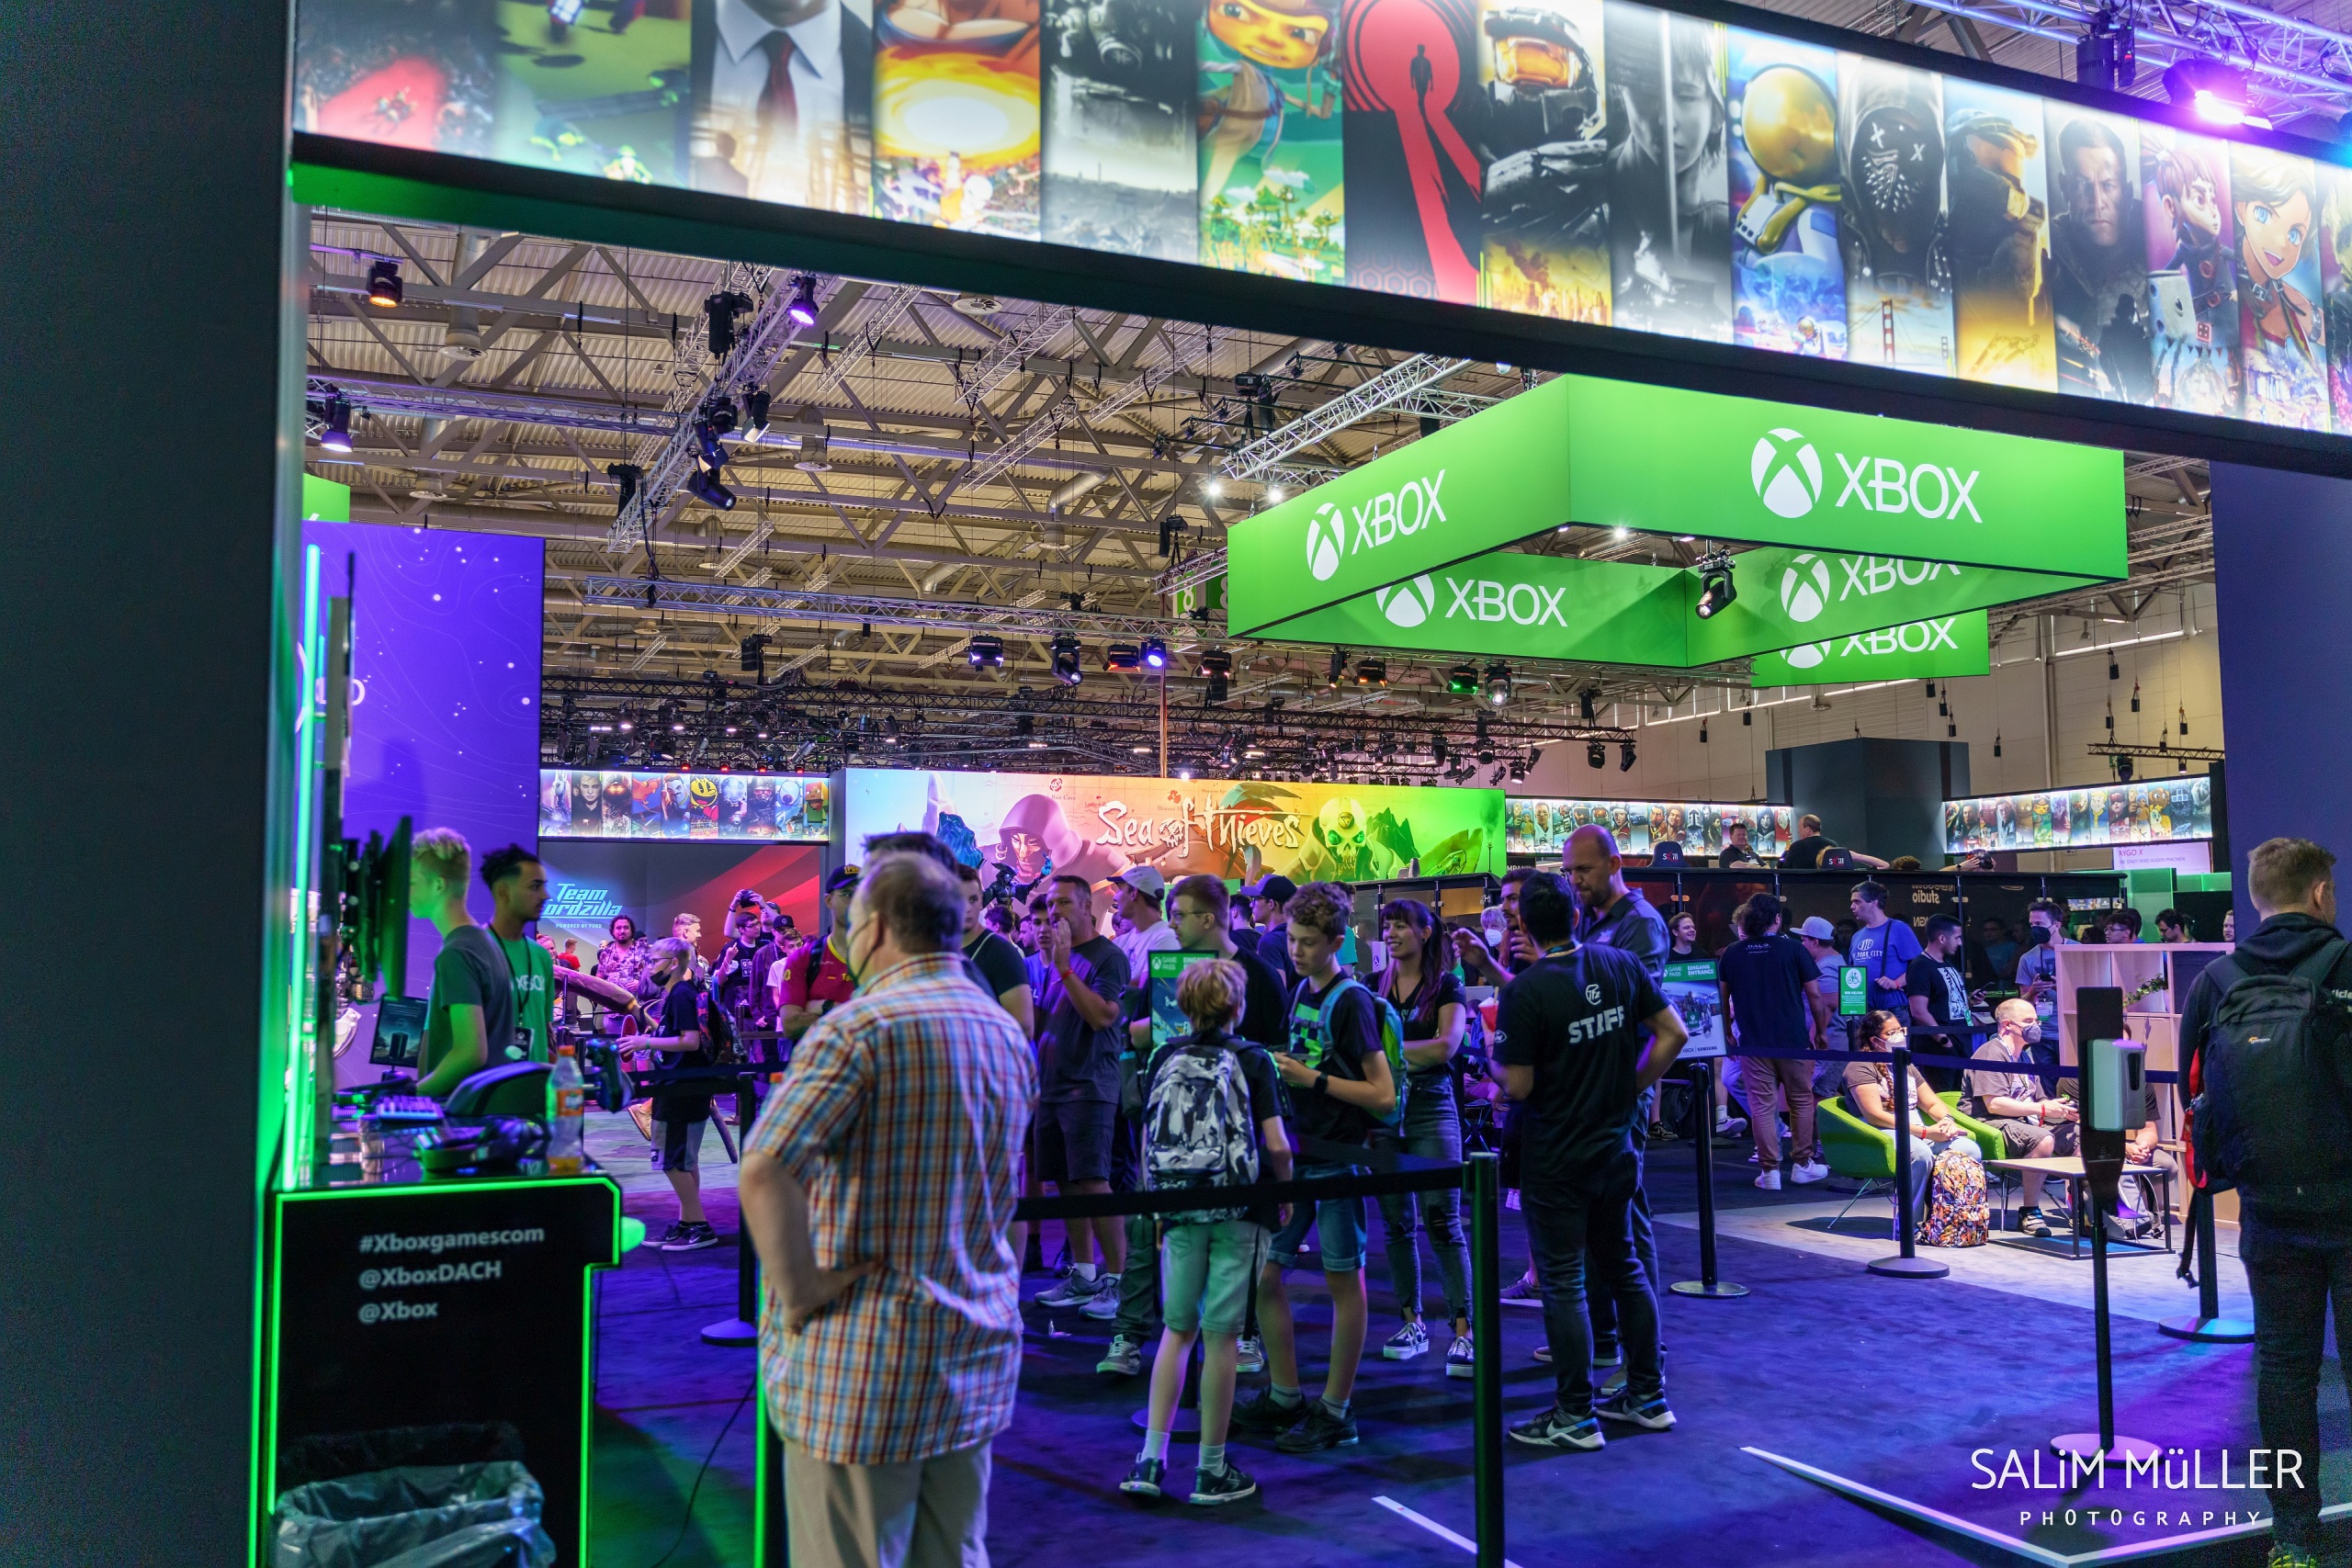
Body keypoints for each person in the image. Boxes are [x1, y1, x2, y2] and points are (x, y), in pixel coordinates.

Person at [739, 852, 1033, 1568]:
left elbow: (765, 1166)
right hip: (973, 1350)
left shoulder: (857, 1029)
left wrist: (801, 1289)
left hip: (864, 1364)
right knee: (956, 1551)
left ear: (872, 930)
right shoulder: (1003, 1032)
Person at [2173, 838, 2352, 1568]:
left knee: (2283, 1370)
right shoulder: (2348, 964)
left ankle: (2294, 1537)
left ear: (2256, 897)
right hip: (2350, 1201)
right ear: (2320, 893)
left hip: (2268, 1208)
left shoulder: (2217, 980)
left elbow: (2193, 1092)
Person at [1498, 872, 1689, 1450]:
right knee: (1624, 1266)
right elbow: (1673, 1034)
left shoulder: (1526, 989)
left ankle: (1575, 1414)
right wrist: (1627, 1089)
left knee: (1563, 1282)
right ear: (1576, 916)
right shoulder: (1620, 965)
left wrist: (1491, 1062)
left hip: (1556, 1155)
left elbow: (1518, 1085)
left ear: (1524, 925)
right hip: (1614, 1147)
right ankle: (1647, 1395)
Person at [1100, 874, 1289, 1379]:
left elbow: (1278, 1051)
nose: (1174, 924)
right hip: (1170, 1130)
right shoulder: (1168, 970)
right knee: (1148, 1229)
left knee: (1238, 1244)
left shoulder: (1257, 973)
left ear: (1209, 919)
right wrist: (1172, 1030)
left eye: (1180, 914)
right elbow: (1135, 1033)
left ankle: (1243, 1333)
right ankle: (1130, 1334)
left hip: (1238, 1141)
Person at [1120, 961, 1293, 1507]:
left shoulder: (1163, 1056)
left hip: (1178, 1207)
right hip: (1240, 1208)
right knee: (1221, 1338)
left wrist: (1155, 1205)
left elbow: (1148, 1137)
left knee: (1177, 1332)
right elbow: (1278, 1145)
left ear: (1184, 1006)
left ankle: (1150, 1459)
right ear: (1238, 1005)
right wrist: (1283, 1192)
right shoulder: (1254, 1059)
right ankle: (1211, 1469)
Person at [1232, 881, 1396, 1454]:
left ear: (1334, 941)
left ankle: (1336, 1409)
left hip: (1337, 1158)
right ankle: (1286, 1395)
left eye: (1307, 941)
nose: (1296, 950)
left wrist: (1313, 1079)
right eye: (1292, 939)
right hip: (1300, 1155)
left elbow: (1383, 1095)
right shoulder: (1303, 987)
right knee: (1265, 1275)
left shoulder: (1350, 1001)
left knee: (1342, 1281)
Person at [1564, 824, 1670, 1365]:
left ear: (1614, 863)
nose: (1575, 880)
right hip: (1591, 1086)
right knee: (1596, 1219)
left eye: (1583, 869)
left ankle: (1642, 1352)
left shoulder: (1640, 924)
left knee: (1627, 1218)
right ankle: (1605, 1340)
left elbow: (1631, 1010)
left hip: (1619, 1087)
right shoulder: (1590, 919)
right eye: (1569, 872)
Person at [1371, 899, 1476, 1377]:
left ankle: (1464, 1331)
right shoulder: (1375, 984)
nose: (1391, 933)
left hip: (1432, 1107)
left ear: (1425, 932)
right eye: (1387, 926)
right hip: (1386, 1111)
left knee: (1442, 1222)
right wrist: (1403, 1055)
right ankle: (1411, 1323)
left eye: (1400, 926)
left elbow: (1445, 1047)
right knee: (1396, 1224)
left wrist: (1385, 1056)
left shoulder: (1447, 984)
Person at [1032, 874, 1132, 1314]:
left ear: (1088, 908)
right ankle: (1085, 1275)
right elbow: (1044, 1022)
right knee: (1065, 1183)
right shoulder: (1057, 957)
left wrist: (1065, 968)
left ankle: (1119, 1282)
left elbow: (1101, 1017)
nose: (1054, 913)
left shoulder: (1108, 957)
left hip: (1089, 1085)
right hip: (1052, 1086)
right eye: (1050, 906)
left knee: (1092, 1182)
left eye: (1064, 904)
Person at [618, 937, 725, 1250]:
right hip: (684, 1087)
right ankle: (687, 1222)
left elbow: (690, 1041)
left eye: (655, 961)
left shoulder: (680, 994)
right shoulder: (682, 993)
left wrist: (645, 1042)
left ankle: (700, 1226)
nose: (650, 967)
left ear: (674, 962)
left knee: (671, 1160)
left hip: (681, 1089)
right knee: (684, 1160)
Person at [1717, 894, 1828, 1190]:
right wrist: (1821, 1031)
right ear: (1777, 919)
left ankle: (1769, 1173)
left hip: (1753, 1042)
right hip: (1793, 1040)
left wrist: (1727, 1031)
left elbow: (1722, 998)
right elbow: (1815, 995)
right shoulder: (1794, 949)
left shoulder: (1732, 952)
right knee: (1801, 1100)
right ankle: (1803, 1165)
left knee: (1762, 1106)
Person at [1845, 1009, 1983, 1228]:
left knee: (1969, 1149)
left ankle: (1949, 1220)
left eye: (1900, 1030)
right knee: (1919, 1153)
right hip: (1881, 1132)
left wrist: (1946, 1121)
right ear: (1874, 1040)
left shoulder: (1906, 1065)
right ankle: (1910, 1224)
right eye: (1891, 1033)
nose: (1899, 1036)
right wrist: (1927, 1132)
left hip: (1918, 1130)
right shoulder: (1860, 1066)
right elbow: (1875, 1115)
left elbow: (1932, 1103)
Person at [409, 829, 516, 1100]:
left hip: (462, 1110)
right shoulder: (485, 942)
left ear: (438, 885)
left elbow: (471, 1052)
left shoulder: (456, 954)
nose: (406, 892)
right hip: (486, 1108)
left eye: (412, 882)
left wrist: (415, 1093)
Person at [1965, 998, 2078, 1236]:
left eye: (2036, 1021)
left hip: (2025, 1121)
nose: (2035, 1026)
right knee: (2043, 1139)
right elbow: (1994, 1104)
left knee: (2080, 1135)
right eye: (2028, 1021)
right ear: (2007, 1025)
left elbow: (2037, 1099)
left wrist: (2061, 1110)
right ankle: (2030, 1210)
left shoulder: (2025, 1056)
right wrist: (2042, 1110)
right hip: (1991, 1122)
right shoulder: (1992, 1053)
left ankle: (2083, 1208)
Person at [781, 866, 862, 1039]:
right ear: (829, 900)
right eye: (847, 894)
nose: (857, 901)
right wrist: (841, 1009)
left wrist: (824, 1007)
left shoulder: (884, 956)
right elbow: (791, 1026)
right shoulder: (804, 958)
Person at [1905, 914, 1978, 1065]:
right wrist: (1943, 1040)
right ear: (1942, 939)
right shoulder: (1920, 966)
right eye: (1957, 938)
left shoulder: (1947, 963)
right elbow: (1918, 1011)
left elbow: (1946, 1001)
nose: (1960, 943)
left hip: (1961, 1044)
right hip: (1939, 1049)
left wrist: (1969, 1001)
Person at [1849, 882, 1924, 1010]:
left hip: (1893, 1008)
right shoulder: (1857, 936)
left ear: (1874, 902)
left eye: (1857, 902)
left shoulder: (1898, 929)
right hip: (1862, 1009)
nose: (1852, 907)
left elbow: (1921, 967)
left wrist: (1896, 983)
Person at [2013, 897, 2070, 1046]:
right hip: (2041, 1034)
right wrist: (2032, 992)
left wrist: (2061, 988)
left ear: (2057, 925)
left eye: (2039, 924)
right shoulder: (2027, 958)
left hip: (2072, 1031)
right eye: (2032, 924)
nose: (2034, 929)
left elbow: (2090, 996)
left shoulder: (2078, 951)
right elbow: (2024, 1002)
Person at [1110, 867, 1182, 976]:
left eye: (1120, 889)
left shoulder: (1167, 938)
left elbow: (1156, 985)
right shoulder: (1120, 942)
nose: (1115, 897)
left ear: (1134, 893)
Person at [1242, 873, 1298, 988]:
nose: (1251, 905)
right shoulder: (1298, 937)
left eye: (1255, 899)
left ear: (1271, 904)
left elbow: (1275, 993)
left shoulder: (1271, 943)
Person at [1781, 814, 1888, 872]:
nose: (1798, 831)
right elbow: (1885, 866)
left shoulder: (1796, 846)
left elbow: (1784, 870)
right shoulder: (1833, 845)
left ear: (1808, 829)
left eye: (1799, 828)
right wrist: (1857, 856)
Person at [597, 912, 655, 998]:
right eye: (618, 928)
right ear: (613, 931)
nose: (622, 931)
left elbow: (655, 977)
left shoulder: (644, 951)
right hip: (611, 1003)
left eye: (626, 928)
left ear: (632, 931)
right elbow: (599, 978)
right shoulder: (606, 953)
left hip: (637, 1004)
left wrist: (641, 984)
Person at [1978, 917, 2021, 982]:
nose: (1989, 933)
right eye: (1986, 930)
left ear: (2003, 931)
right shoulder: (1984, 950)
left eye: (1993, 930)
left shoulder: (2014, 948)